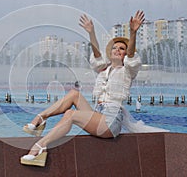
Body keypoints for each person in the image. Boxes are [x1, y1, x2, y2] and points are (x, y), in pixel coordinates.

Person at [20, 10, 164, 167]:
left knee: (71, 115)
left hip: (111, 120)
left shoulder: (128, 71)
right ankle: (40, 119)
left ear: (124, 54)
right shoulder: (104, 69)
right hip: (98, 114)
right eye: (115, 48)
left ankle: (40, 146)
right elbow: (96, 55)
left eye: (121, 49)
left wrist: (132, 32)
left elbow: (131, 57)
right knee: (74, 94)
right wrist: (91, 32)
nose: (117, 50)